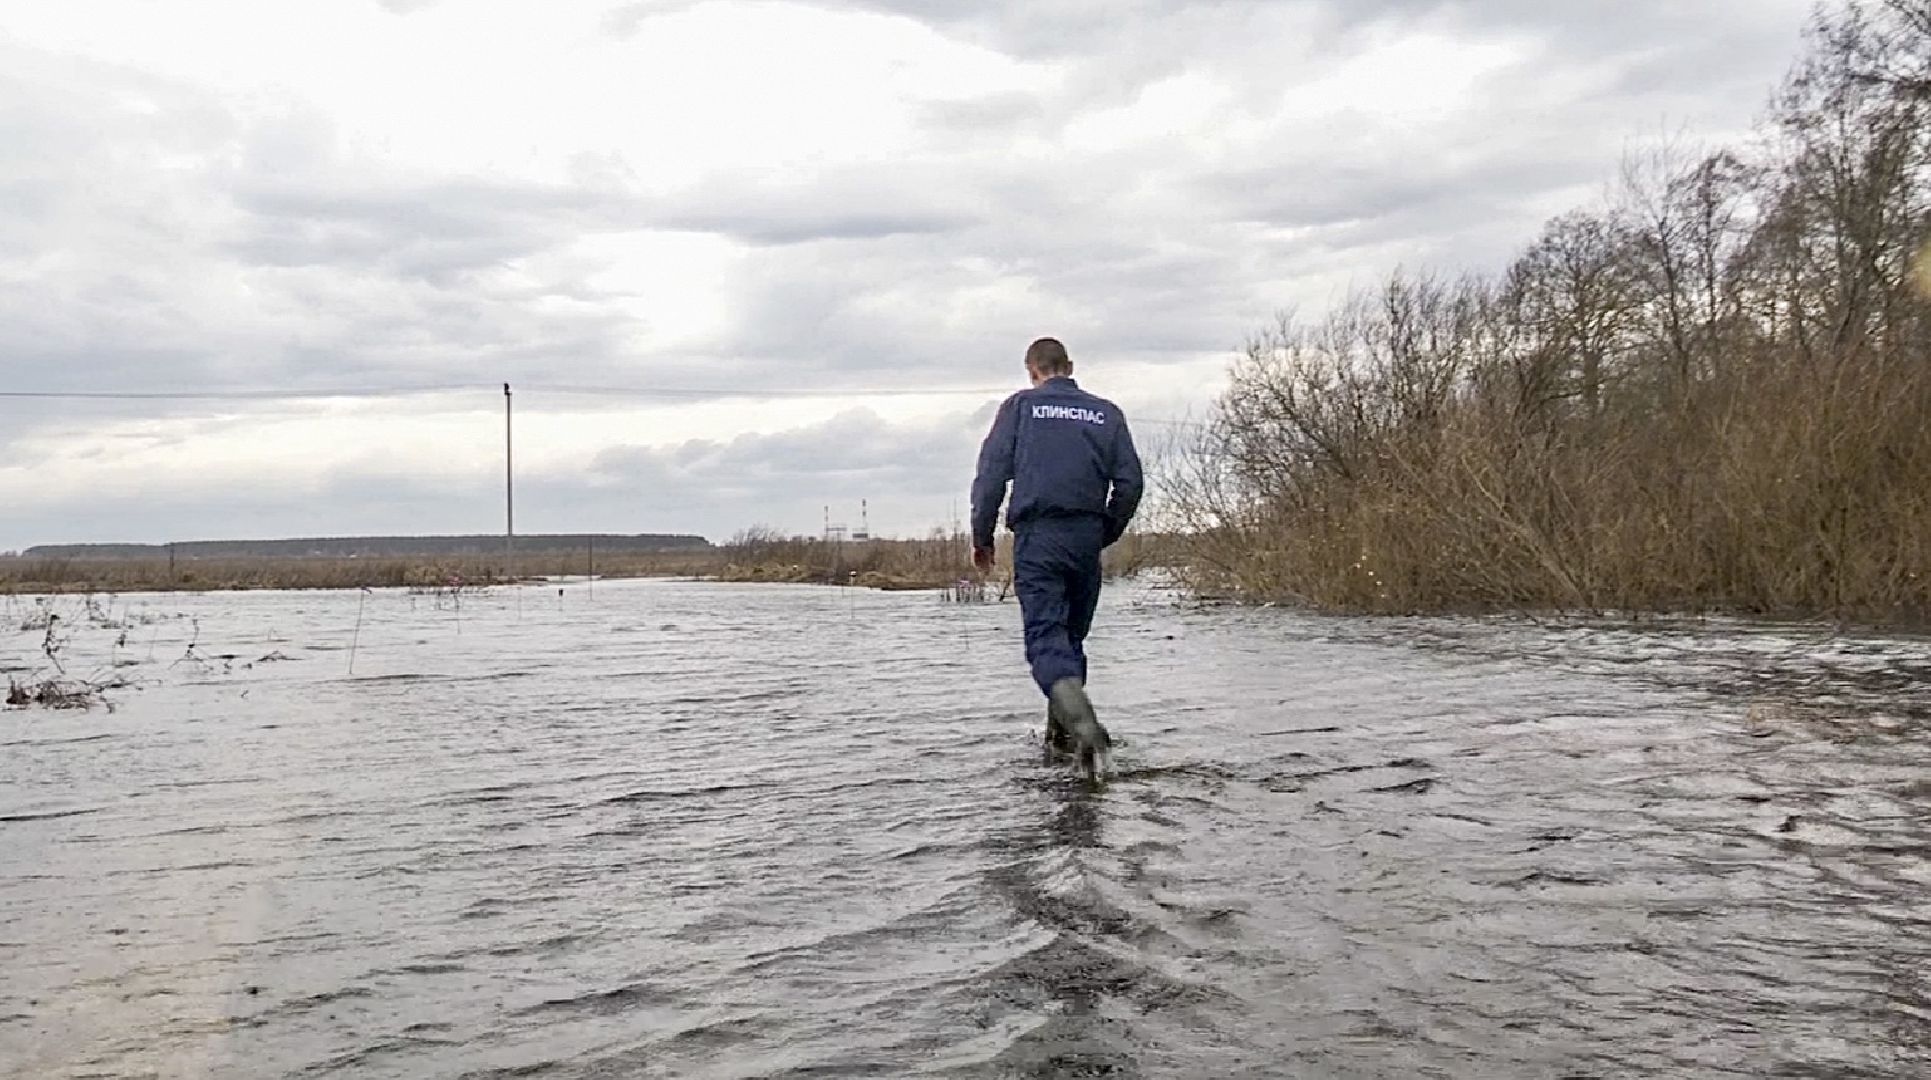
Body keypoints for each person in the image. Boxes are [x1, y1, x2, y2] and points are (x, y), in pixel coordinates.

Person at [970, 337, 1144, 775]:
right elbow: (1130, 483)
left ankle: (1086, 730)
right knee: (1070, 641)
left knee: (1047, 640)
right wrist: (1105, 530)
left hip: (1039, 535)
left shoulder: (1021, 407)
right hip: (1085, 538)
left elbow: (990, 476)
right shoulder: (1106, 413)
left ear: (1032, 371)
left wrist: (982, 538)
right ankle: (1062, 741)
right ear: (1069, 366)